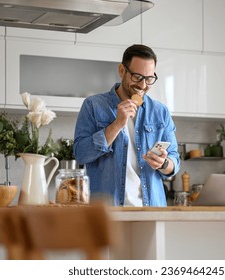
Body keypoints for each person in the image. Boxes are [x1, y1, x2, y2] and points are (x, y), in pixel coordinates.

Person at [73, 44, 181, 207]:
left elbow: (174, 160)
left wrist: (164, 163)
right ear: (122, 71)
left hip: (151, 210)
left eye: (149, 78)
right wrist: (117, 124)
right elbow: (81, 154)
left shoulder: (160, 112)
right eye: (137, 77)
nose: (143, 85)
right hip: (107, 213)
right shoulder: (93, 105)